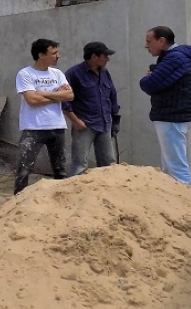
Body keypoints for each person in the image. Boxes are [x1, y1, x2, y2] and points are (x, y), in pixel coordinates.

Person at [13, 38, 75, 194]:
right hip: (33, 127)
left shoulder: (57, 73)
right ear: (41, 55)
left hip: (57, 126)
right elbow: (32, 100)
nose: (58, 56)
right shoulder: (25, 74)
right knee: (24, 168)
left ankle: (61, 200)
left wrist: (44, 93)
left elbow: (70, 95)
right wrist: (57, 94)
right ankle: (18, 201)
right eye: (54, 53)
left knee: (60, 168)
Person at [140, 25, 191, 186]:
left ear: (161, 41)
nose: (146, 46)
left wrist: (147, 77)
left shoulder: (175, 59)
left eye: (148, 41)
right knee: (171, 167)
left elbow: (149, 84)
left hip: (172, 117)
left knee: (176, 168)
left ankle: (188, 205)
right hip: (175, 116)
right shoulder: (176, 57)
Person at [62, 41, 121, 176]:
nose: (108, 59)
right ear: (94, 56)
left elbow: (112, 95)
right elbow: (64, 101)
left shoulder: (105, 73)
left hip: (105, 123)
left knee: (108, 163)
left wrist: (115, 119)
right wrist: (75, 121)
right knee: (80, 164)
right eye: (105, 55)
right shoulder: (74, 74)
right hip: (84, 125)